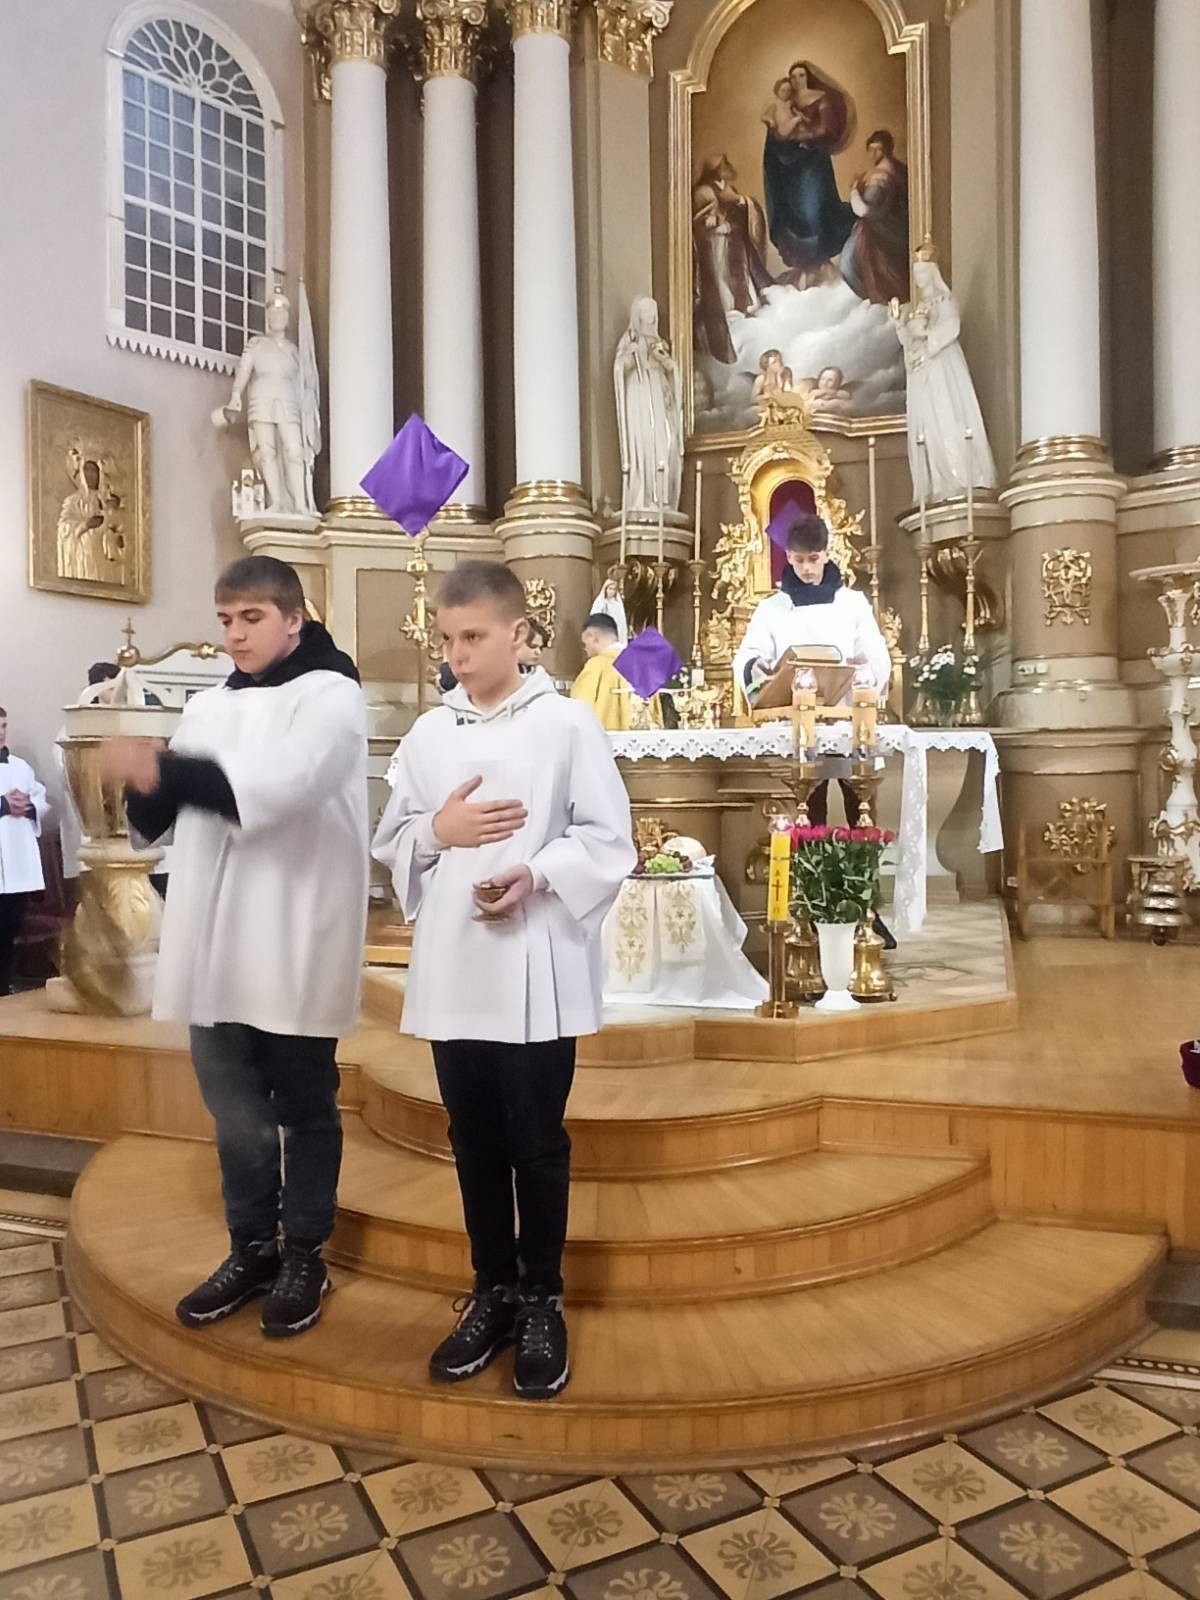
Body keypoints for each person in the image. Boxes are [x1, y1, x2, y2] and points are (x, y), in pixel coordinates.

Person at [372, 560, 635, 1400]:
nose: (457, 655)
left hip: (535, 956)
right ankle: (491, 1290)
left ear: (519, 635)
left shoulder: (566, 725)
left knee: (536, 1141)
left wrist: (537, 874)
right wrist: (438, 831)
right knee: (473, 1138)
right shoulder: (429, 734)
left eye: (474, 637)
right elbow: (395, 840)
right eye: (447, 639)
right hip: (455, 964)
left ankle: (541, 1299)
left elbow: (608, 837)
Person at [101, 555, 368, 1339]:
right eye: (225, 620)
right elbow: (161, 811)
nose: (235, 635)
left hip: (291, 928)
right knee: (234, 1111)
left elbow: (277, 790)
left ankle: (305, 1254)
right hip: (212, 936)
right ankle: (251, 1247)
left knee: (304, 1107)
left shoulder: (332, 695)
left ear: (294, 618)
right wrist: (141, 781)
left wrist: (166, 768)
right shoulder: (211, 704)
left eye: (251, 618)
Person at [733, 514, 892, 843]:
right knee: (809, 811)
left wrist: (865, 666)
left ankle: (862, 871)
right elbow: (749, 656)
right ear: (788, 556)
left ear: (827, 553)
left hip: (848, 719)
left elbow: (876, 655)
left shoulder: (852, 603)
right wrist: (759, 667)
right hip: (797, 724)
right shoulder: (771, 608)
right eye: (799, 559)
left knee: (860, 809)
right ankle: (811, 873)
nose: (806, 568)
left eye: (814, 559)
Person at [892, 251, 997, 502]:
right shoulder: (919, 308)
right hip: (923, 372)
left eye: (922, 272)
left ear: (932, 272)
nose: (918, 278)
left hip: (942, 368)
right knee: (928, 425)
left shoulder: (945, 300)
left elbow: (952, 328)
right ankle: (938, 483)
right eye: (916, 273)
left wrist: (925, 335)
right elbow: (909, 344)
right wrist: (899, 324)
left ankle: (959, 477)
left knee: (947, 416)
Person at [761, 60, 855, 287]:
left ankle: (818, 261)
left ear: (808, 76)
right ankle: (806, 264)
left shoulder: (820, 98)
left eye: (801, 75)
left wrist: (804, 136)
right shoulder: (788, 102)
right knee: (791, 209)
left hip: (812, 162)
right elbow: (775, 126)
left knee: (812, 210)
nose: (796, 81)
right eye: (793, 77)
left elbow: (827, 128)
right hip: (789, 167)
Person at [692, 154, 772, 366]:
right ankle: (729, 312)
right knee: (721, 279)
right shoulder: (703, 191)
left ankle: (744, 309)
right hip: (715, 244)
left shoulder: (728, 188)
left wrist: (743, 203)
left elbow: (741, 212)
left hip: (734, 244)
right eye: (722, 165)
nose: (726, 168)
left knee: (740, 278)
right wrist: (711, 221)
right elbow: (700, 219)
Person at [0, 708, 47, 997]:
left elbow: (40, 798)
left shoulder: (20, 766)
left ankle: (4, 986)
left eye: (4, 725)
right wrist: (3, 805)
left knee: (10, 926)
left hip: (16, 862)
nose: (1, 732)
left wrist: (28, 806)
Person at [841, 130, 910, 306]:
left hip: (878, 234)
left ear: (886, 149)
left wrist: (854, 190)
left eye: (877, 149)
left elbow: (863, 210)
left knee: (849, 265)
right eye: (871, 150)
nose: (873, 154)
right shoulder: (899, 169)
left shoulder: (880, 176)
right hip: (895, 230)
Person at [570, 614, 632, 732]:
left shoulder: (596, 666)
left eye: (584, 644)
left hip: (606, 740)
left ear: (593, 636)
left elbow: (579, 711)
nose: (585, 649)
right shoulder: (642, 665)